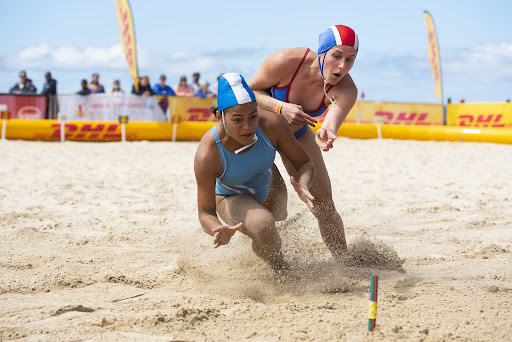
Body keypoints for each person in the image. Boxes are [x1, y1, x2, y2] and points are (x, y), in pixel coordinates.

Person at [249, 25, 359, 259]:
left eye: (350, 59)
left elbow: (330, 124)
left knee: (324, 204)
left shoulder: (347, 89)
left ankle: (344, 261)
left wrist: (325, 134)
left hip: (296, 136)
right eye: (337, 56)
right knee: (271, 205)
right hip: (259, 134)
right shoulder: (286, 60)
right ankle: (268, 257)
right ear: (322, 52)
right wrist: (281, 107)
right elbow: (251, 92)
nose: (342, 66)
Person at [194, 73, 315, 272]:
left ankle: (263, 245)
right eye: (238, 120)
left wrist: (304, 184)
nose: (248, 126)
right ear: (219, 117)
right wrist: (216, 228)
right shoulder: (208, 153)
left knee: (276, 220)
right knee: (263, 224)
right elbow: (205, 212)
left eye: (253, 116)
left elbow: (303, 163)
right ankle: (281, 269)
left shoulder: (272, 125)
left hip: (268, 181)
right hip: (229, 195)